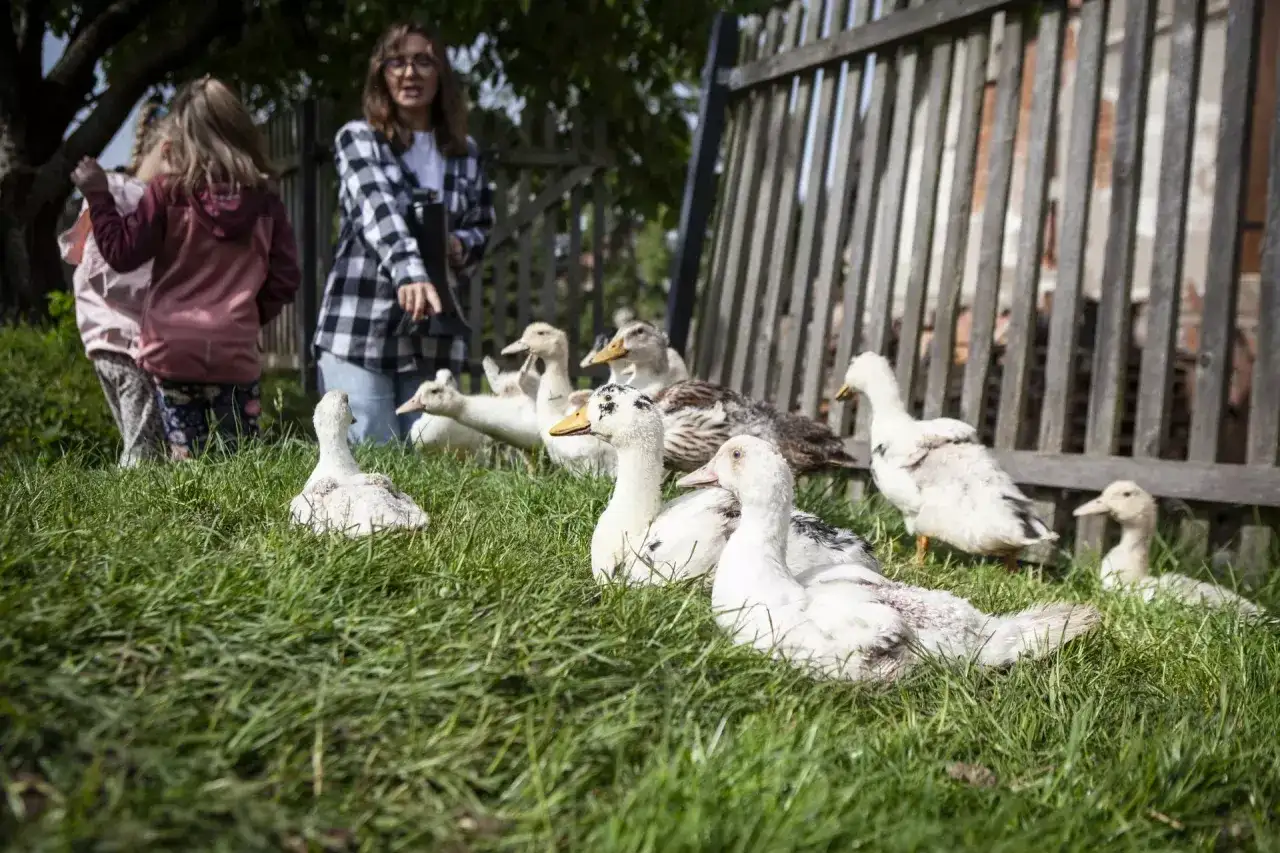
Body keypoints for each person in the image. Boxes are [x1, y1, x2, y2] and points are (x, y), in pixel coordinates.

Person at [69, 76, 301, 460]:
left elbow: (122, 253)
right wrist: (247, 316)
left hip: (171, 347)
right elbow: (286, 276)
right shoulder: (265, 202)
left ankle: (192, 507)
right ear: (242, 130)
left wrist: (99, 194)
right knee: (237, 454)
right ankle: (239, 514)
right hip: (234, 347)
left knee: (185, 455)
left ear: (183, 134)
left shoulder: (167, 194)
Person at [312, 20, 495, 443]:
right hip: (360, 326)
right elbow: (378, 210)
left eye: (422, 62)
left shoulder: (466, 155)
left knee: (433, 453)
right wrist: (410, 271)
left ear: (441, 74)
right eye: (397, 62)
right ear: (381, 73)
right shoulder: (359, 139)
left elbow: (482, 226)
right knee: (371, 448)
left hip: (433, 336)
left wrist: (457, 244)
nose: (409, 73)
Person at [57, 99, 170, 468]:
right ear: (168, 153)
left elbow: (77, 252)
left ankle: (140, 501)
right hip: (125, 341)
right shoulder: (130, 195)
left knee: (137, 436)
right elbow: (109, 268)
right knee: (144, 448)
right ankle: (138, 511)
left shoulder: (114, 189)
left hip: (102, 338)